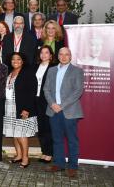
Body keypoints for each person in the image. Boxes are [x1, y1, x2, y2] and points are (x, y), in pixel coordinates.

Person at [44, 47, 84, 178]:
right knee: (57, 139)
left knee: (72, 140)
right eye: (61, 54)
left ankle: (73, 166)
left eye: (67, 54)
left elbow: (78, 91)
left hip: (69, 111)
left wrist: (61, 106)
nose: (64, 56)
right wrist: (52, 104)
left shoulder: (77, 71)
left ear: (70, 56)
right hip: (53, 110)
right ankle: (59, 164)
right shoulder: (51, 70)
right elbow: (46, 89)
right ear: (58, 56)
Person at [3, 52, 38, 169]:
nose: (15, 61)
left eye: (18, 59)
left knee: (21, 134)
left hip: (21, 108)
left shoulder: (27, 73)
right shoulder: (10, 72)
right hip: (9, 107)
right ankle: (18, 156)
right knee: (14, 133)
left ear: (23, 61)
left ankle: (25, 158)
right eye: (13, 59)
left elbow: (32, 92)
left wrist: (27, 109)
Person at [34, 45, 57, 163]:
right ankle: (44, 151)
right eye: (41, 53)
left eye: (46, 53)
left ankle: (50, 152)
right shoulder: (36, 67)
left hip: (47, 100)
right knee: (41, 127)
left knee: (48, 127)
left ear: (51, 55)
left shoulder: (54, 68)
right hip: (36, 100)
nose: (43, 55)